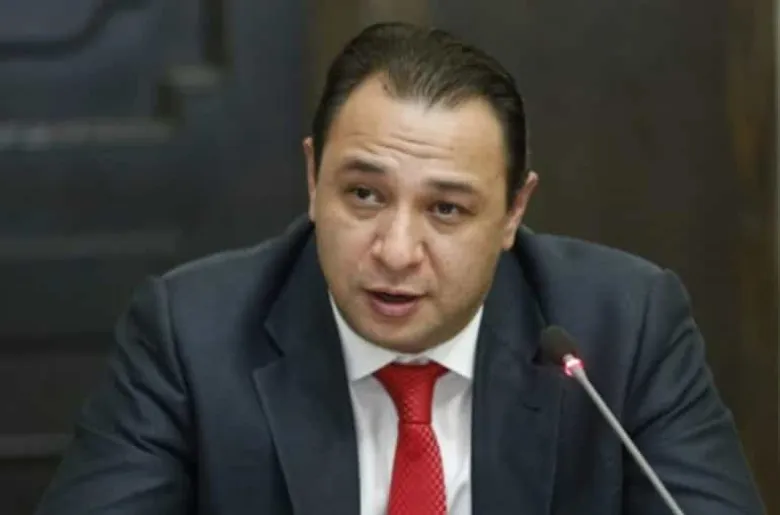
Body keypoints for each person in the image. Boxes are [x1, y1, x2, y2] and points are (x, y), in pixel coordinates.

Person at [35, 22, 763, 515]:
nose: (395, 250)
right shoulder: (191, 337)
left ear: (513, 211)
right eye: (364, 195)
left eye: (446, 209)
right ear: (313, 177)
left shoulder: (624, 329)